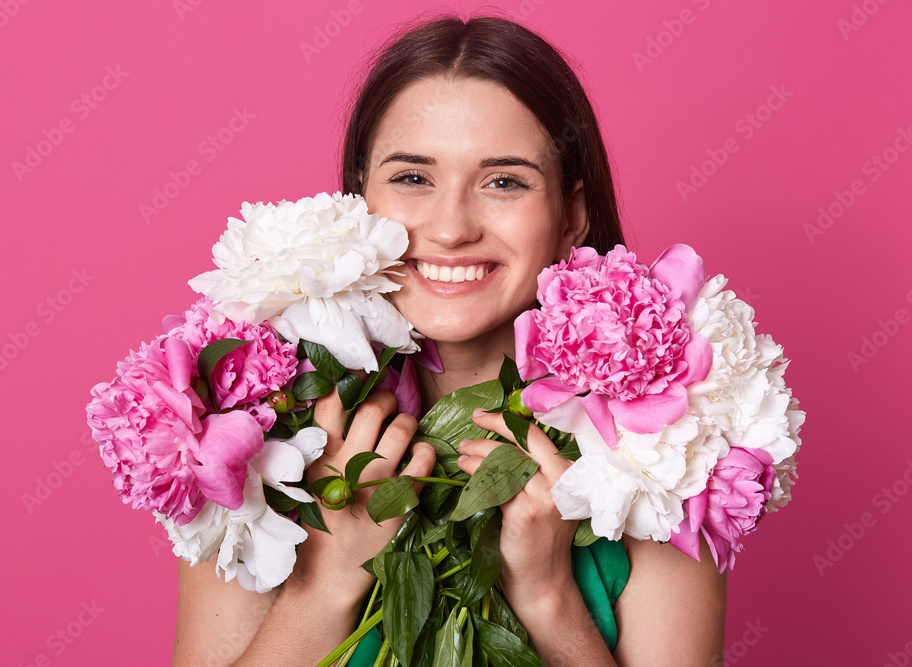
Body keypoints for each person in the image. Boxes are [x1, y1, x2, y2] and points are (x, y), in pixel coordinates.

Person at [174, 14, 726, 666]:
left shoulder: (662, 464)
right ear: (358, 199)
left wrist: (550, 597)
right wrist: (323, 586)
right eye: (413, 177)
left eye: (504, 181)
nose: (451, 226)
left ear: (571, 215)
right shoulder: (256, 436)